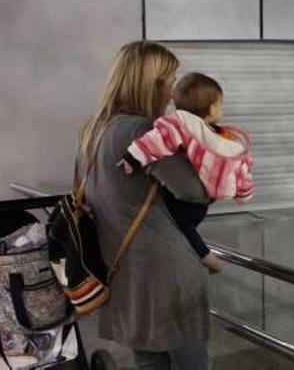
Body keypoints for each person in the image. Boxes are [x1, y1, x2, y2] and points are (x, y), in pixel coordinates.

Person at [76, 41, 215, 370]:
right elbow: (194, 190)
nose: (171, 93)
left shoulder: (91, 131)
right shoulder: (141, 130)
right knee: (190, 362)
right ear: (150, 83)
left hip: (125, 270)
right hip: (168, 276)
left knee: (149, 362)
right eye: (169, 81)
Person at [119, 72, 253, 273]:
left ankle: (206, 257)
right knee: (186, 229)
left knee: (183, 228)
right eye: (220, 103)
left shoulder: (181, 124)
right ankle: (204, 257)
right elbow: (242, 170)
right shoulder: (227, 139)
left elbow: (157, 140)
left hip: (185, 202)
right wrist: (243, 194)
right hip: (205, 203)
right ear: (211, 108)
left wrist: (132, 157)